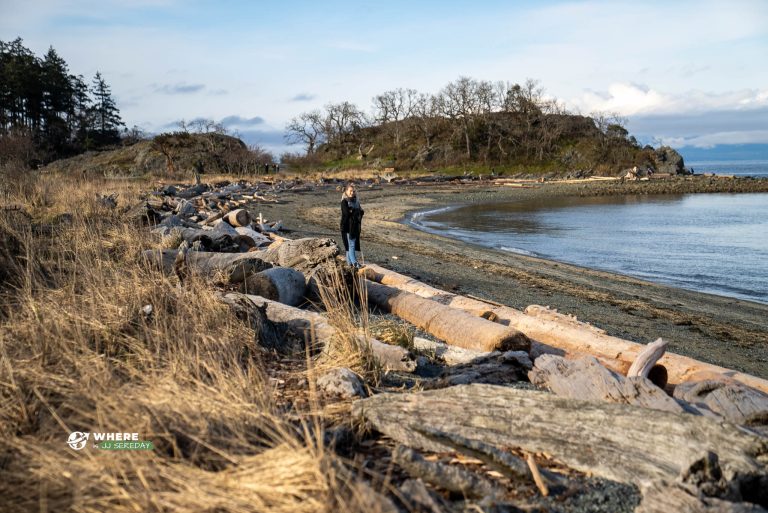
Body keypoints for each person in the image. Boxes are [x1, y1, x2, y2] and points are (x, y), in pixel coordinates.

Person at [340, 183, 364, 268]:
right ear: (346, 191)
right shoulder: (344, 201)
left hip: (354, 226)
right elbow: (346, 213)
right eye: (350, 191)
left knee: (349, 246)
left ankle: (349, 263)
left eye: (353, 191)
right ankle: (355, 263)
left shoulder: (356, 201)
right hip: (347, 226)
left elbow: (361, 211)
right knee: (351, 245)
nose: (352, 193)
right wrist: (354, 211)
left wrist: (353, 211)